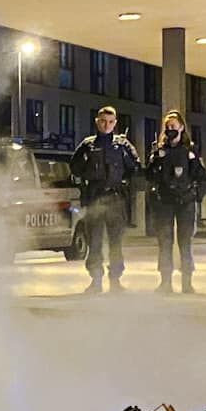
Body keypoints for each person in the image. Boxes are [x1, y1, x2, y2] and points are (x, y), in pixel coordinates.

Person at [71, 105, 141, 293]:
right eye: (103, 121)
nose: (106, 125)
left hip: (115, 199)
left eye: (110, 122)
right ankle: (95, 280)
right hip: (94, 198)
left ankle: (115, 280)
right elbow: (74, 168)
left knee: (115, 243)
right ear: (97, 121)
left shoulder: (123, 145)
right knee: (94, 242)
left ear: (115, 123)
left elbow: (136, 167)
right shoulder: (87, 144)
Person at [146, 109, 203, 293]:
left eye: (174, 126)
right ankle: (165, 282)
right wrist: (154, 160)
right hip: (164, 201)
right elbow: (149, 174)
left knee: (185, 242)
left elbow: (201, 174)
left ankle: (187, 282)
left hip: (185, 200)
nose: (170, 129)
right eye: (167, 127)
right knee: (165, 241)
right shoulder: (159, 150)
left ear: (181, 127)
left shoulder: (190, 150)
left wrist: (193, 161)